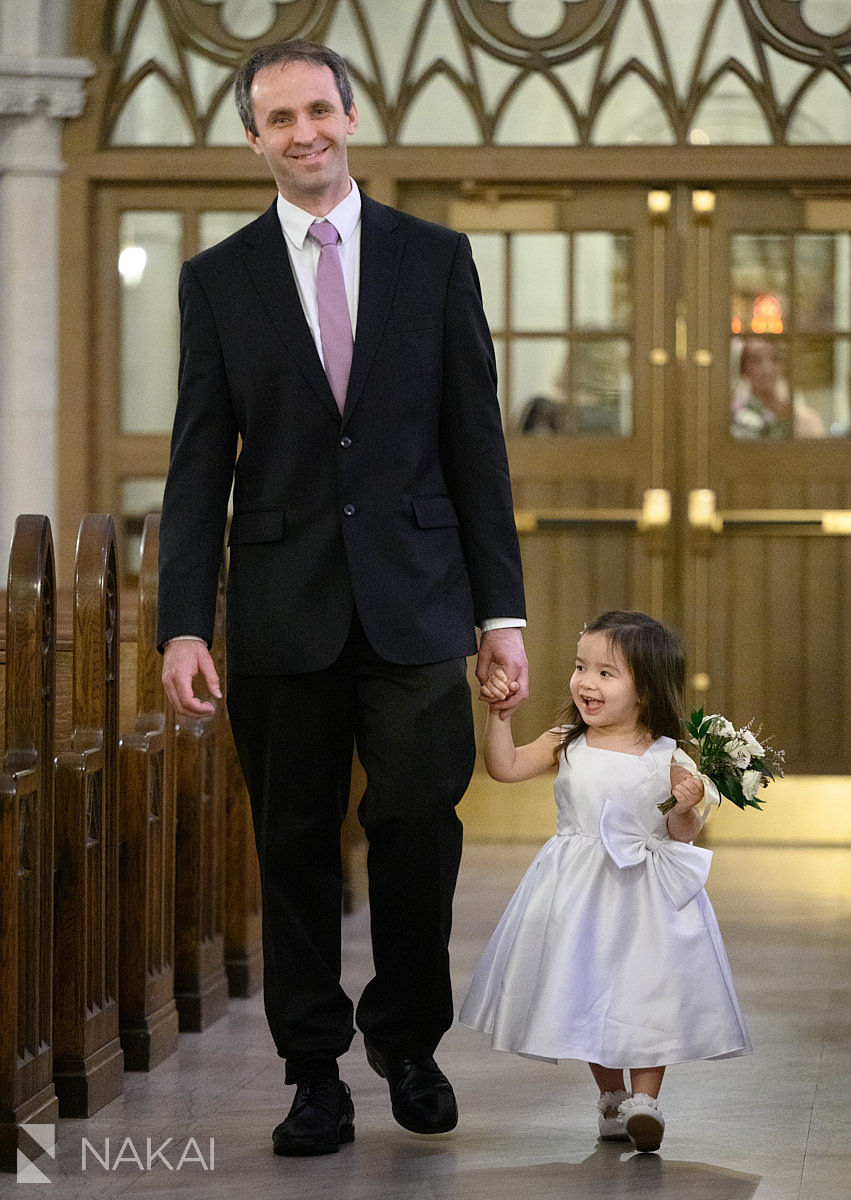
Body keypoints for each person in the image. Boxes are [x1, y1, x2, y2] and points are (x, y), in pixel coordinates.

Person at [157, 39, 528, 1157]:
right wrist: (182, 619)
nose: (303, 131)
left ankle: (407, 1044)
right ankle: (311, 1071)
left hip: (418, 602)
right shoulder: (217, 280)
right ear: (253, 139)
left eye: (318, 109)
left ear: (352, 117)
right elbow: (196, 465)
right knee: (295, 844)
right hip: (282, 607)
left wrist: (497, 613)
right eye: (279, 118)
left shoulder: (434, 258)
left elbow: (477, 447)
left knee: (418, 827)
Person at [461, 610, 751, 1153]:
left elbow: (682, 830)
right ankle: (612, 1097)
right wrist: (500, 717)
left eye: (605, 673)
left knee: (646, 991)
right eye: (580, 668)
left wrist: (690, 806)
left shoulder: (669, 755)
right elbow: (504, 767)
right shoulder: (566, 739)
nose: (585, 683)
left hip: (643, 894)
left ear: (644, 691)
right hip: (576, 890)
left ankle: (646, 1101)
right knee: (588, 990)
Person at [730, 337, 824, 439]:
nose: (767, 369)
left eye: (775, 359)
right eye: (756, 361)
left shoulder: (804, 420)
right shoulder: (735, 416)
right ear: (743, 369)